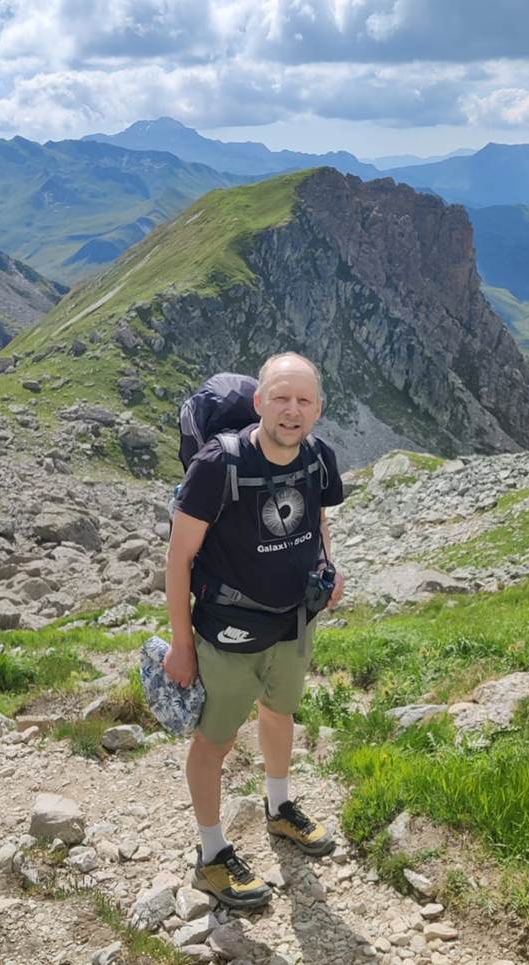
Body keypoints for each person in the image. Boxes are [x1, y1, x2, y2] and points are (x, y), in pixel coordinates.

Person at [163, 351, 345, 909]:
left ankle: (279, 807)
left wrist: (329, 570)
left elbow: (317, 520)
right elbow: (179, 559)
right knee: (214, 740)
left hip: (293, 624)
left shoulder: (316, 457)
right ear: (260, 402)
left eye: (304, 400)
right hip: (228, 632)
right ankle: (212, 856)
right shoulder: (219, 465)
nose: (292, 410)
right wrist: (180, 644)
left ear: (318, 409)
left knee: (280, 712)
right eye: (281, 398)